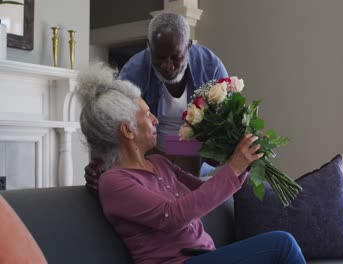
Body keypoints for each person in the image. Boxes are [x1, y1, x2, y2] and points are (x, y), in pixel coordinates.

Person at [76, 63, 306, 264]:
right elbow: (173, 215)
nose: (155, 119)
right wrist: (234, 166)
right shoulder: (114, 182)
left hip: (205, 257)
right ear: (127, 130)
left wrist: (241, 159)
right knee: (281, 245)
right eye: (146, 115)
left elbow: (205, 191)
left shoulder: (159, 162)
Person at [85, 12, 228, 191]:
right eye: (160, 58)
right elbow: (115, 122)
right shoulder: (134, 71)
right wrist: (101, 162)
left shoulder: (210, 67)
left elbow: (225, 121)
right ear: (149, 46)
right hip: (150, 150)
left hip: (196, 151)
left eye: (176, 57)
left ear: (189, 46)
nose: (167, 66)